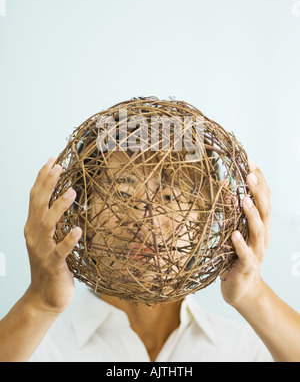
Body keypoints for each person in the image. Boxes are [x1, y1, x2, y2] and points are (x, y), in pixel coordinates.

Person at [0, 155, 300, 363]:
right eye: (121, 194)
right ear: (80, 214)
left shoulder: (249, 350)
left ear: (207, 221)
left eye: (170, 197)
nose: (146, 219)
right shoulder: (35, 348)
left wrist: (252, 293)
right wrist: (40, 303)